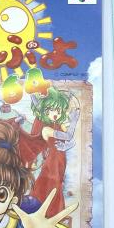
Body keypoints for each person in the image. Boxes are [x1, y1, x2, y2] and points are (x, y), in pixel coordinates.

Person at [18, 87, 79, 218]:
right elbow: (68, 136)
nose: (55, 113)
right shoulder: (46, 129)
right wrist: (74, 120)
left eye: (58, 110)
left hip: (60, 161)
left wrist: (65, 146)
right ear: (45, 111)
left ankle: (51, 213)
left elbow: (72, 141)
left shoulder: (59, 125)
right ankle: (46, 213)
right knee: (49, 185)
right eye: (51, 110)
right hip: (50, 163)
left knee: (56, 185)